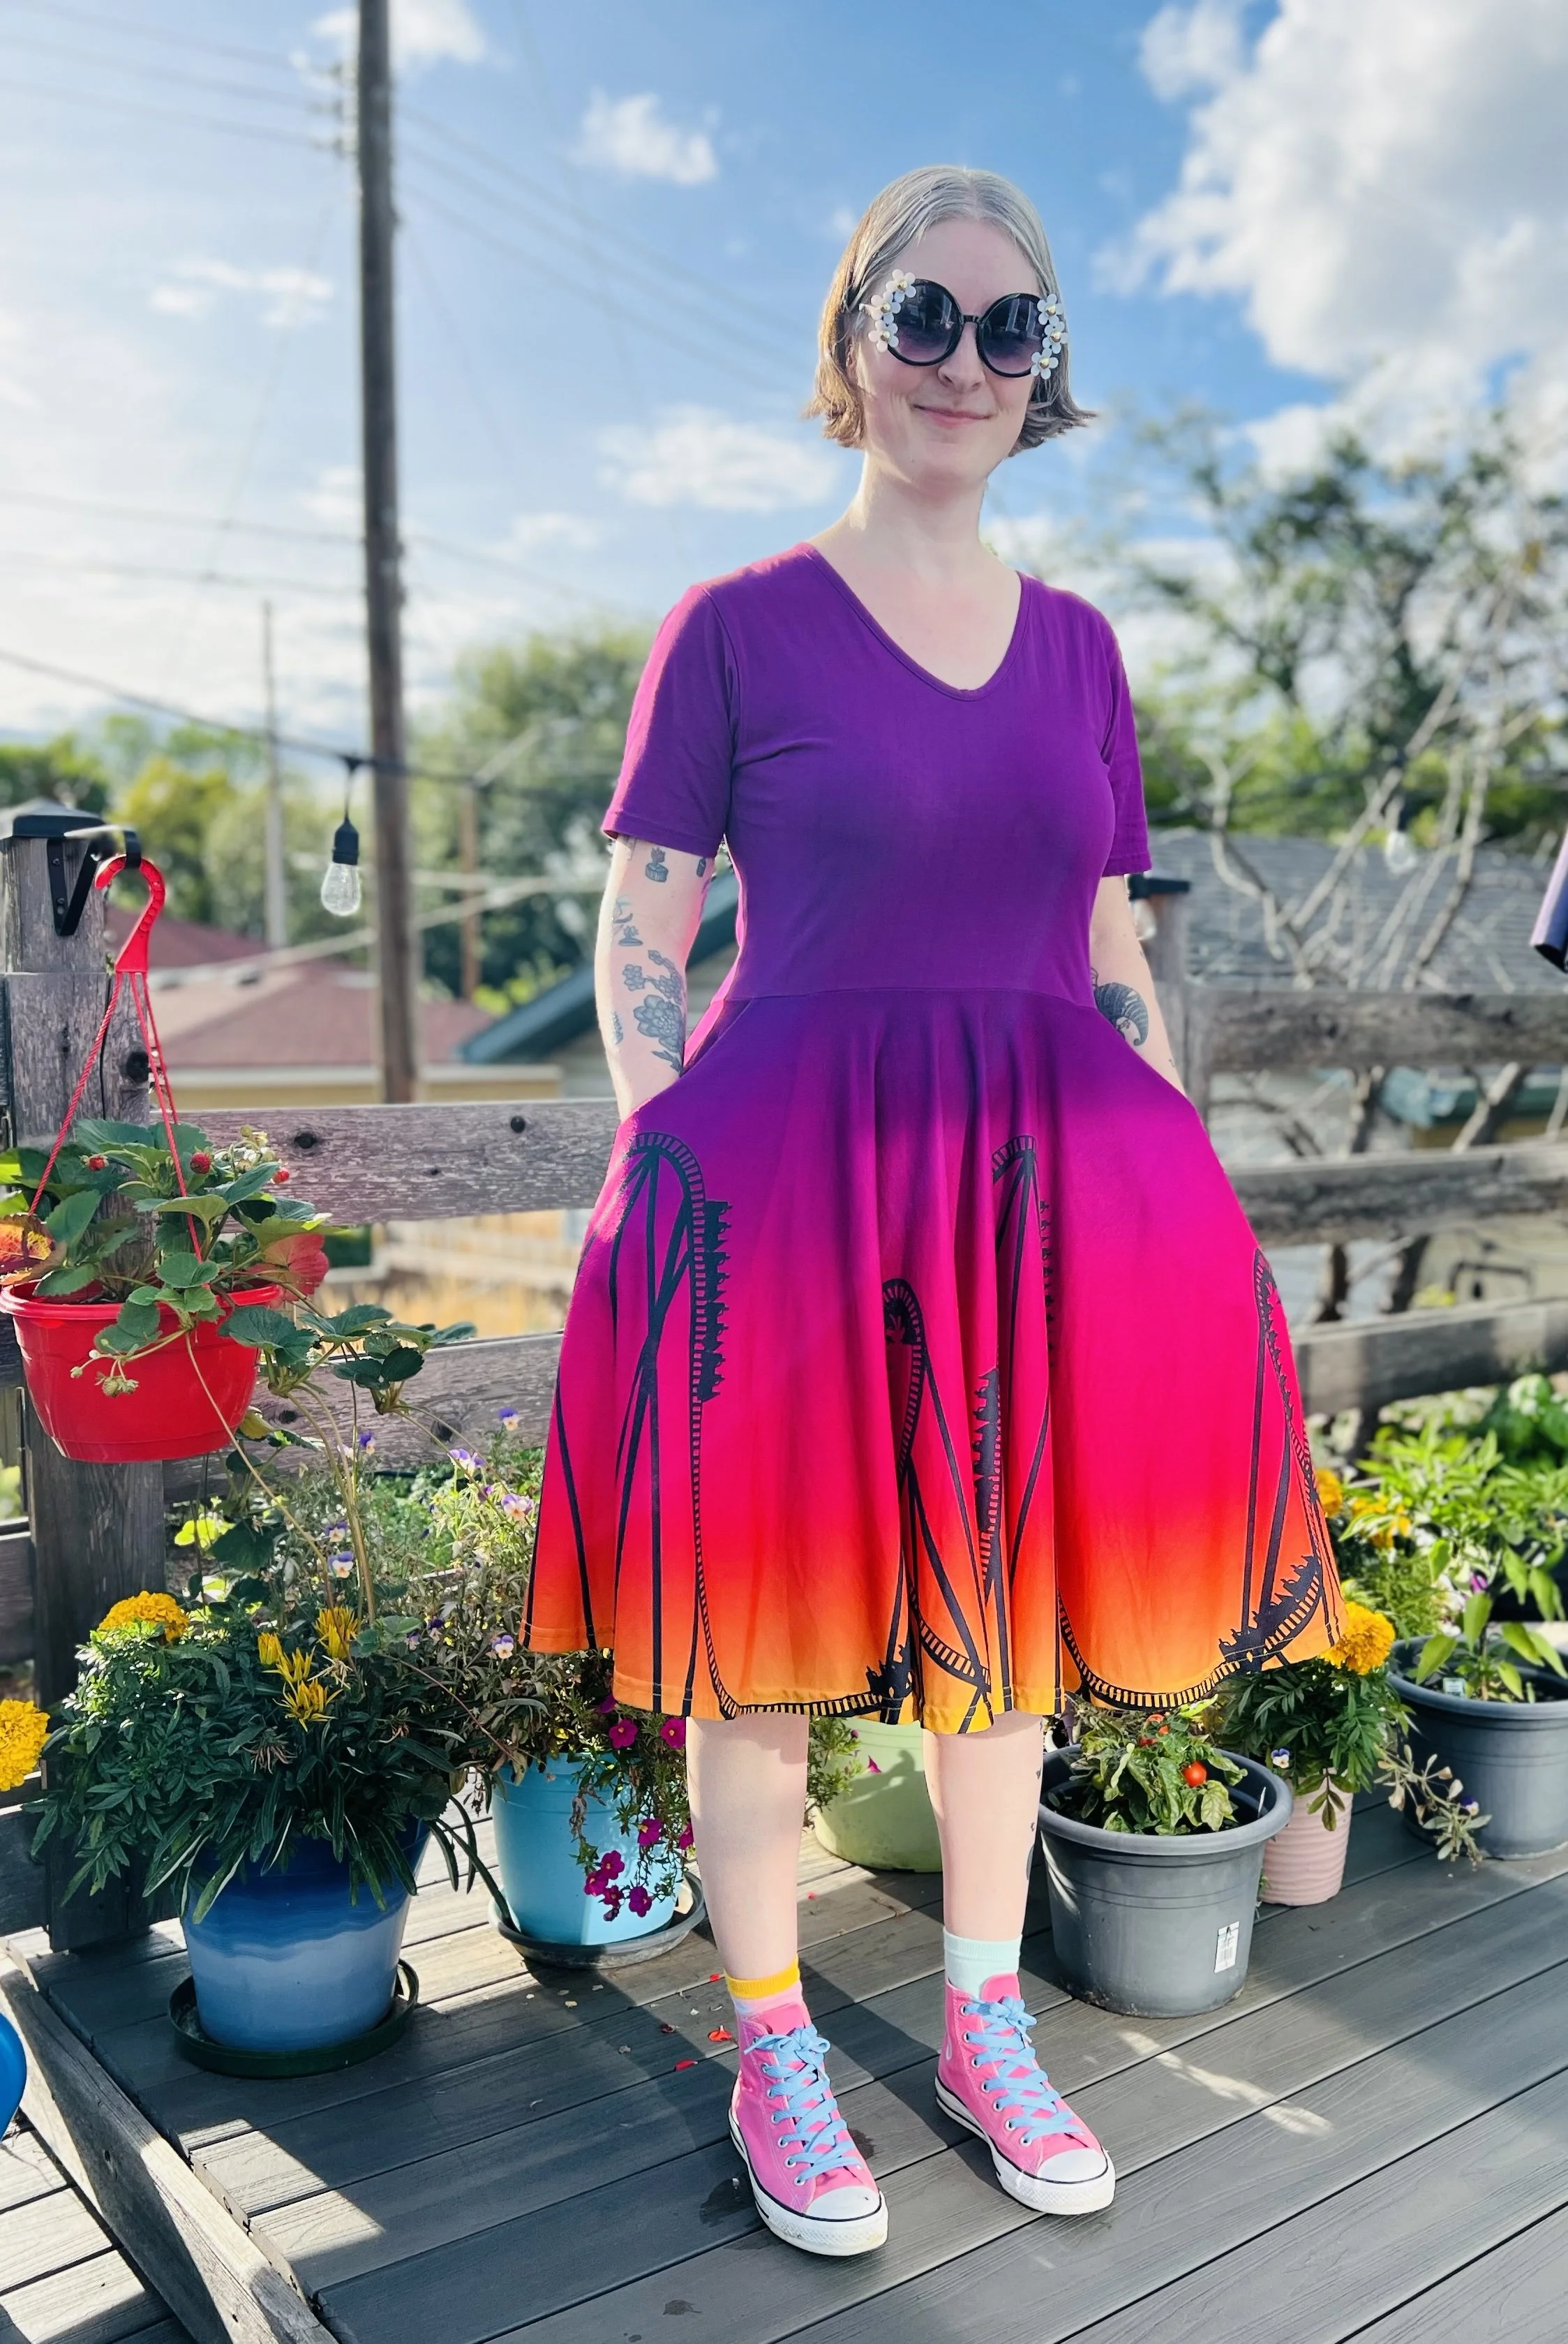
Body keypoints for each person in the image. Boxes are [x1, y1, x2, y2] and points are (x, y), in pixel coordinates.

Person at [523, 165, 1343, 2257]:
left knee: (1010, 1621)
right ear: (851, 334)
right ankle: (775, 2034)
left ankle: (984, 2015)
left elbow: (1104, 942)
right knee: (754, 1634)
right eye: (924, 316)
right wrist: (657, 1158)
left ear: (1045, 369)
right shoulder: (730, 628)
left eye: (1011, 329)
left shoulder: (1080, 654)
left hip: (1034, 1194)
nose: (965, 362)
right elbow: (644, 930)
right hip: (786, 1188)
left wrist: (1173, 1178)